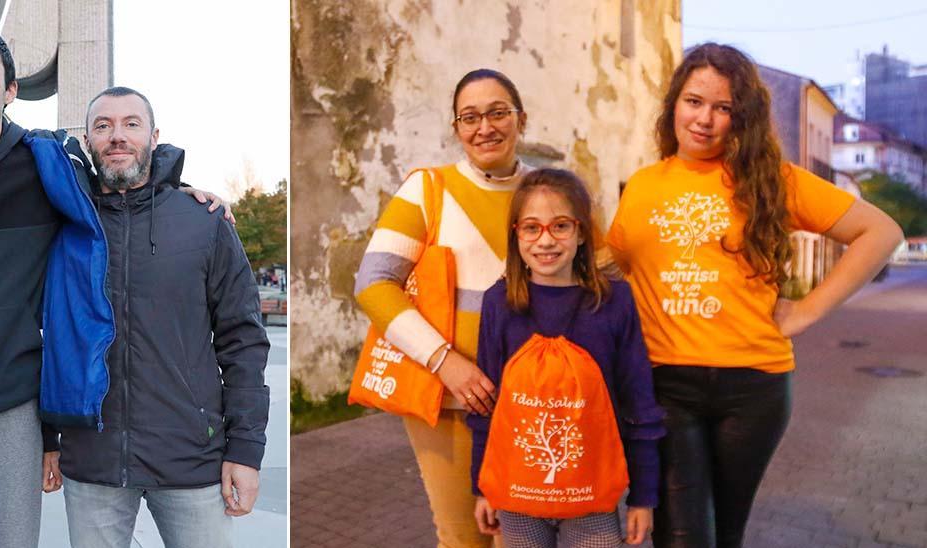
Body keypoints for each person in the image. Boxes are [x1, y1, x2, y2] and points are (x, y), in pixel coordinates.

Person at [0, 24, 229, 547]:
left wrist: (179, 190)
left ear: (11, 89)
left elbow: (124, 178)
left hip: (18, 404)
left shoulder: (51, 163)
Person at [606, 43, 904, 548]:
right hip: (664, 384)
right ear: (674, 103)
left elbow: (880, 231)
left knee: (726, 532)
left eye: (724, 108)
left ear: (741, 118)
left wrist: (807, 311)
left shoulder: (771, 182)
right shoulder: (642, 186)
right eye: (695, 101)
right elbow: (613, 267)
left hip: (754, 387)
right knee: (681, 535)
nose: (705, 119)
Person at [46, 86, 269, 548]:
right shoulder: (65, 226)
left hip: (191, 457)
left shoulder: (202, 221)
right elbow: (44, 339)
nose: (117, 136)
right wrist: (49, 436)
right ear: (87, 142)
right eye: (102, 126)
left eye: (131, 124)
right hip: (95, 460)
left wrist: (246, 451)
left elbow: (242, 340)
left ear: (155, 136)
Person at [353, 68, 535, 548]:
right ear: (456, 128)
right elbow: (373, 285)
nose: (485, 127)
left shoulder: (549, 192)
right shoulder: (428, 189)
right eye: (469, 117)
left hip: (536, 400)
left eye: (498, 113)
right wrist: (445, 361)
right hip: (451, 399)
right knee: (463, 537)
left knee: (524, 536)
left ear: (522, 118)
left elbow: (599, 278)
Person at [468, 169, 664, 547]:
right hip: (519, 496)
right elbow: (486, 405)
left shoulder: (614, 302)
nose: (545, 240)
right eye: (531, 228)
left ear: (582, 233)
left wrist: (643, 495)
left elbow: (639, 400)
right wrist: (481, 485)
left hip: (591, 498)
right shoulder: (500, 303)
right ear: (516, 234)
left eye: (560, 225)